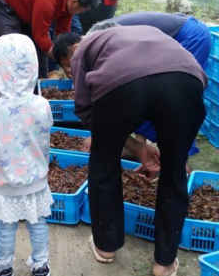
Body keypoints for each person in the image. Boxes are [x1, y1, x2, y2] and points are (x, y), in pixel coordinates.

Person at [52, 27, 207, 276]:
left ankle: (106, 246)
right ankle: (164, 264)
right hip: (187, 80)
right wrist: (148, 147)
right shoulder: (139, 33)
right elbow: (157, 91)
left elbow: (84, 108)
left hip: (123, 85)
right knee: (174, 170)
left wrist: (112, 139)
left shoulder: (83, 49)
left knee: (104, 162)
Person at [0, 33, 53, 276]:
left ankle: (4, 270)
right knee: (38, 222)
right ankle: (41, 269)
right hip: (37, 180)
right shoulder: (42, 105)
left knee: (5, 227)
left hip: (6, 182)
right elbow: (46, 130)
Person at [85, 12, 211, 166]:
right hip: (178, 34)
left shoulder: (108, 39)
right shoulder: (103, 37)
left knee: (177, 103)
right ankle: (146, 149)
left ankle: (179, 160)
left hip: (191, 37)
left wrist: (100, 133)